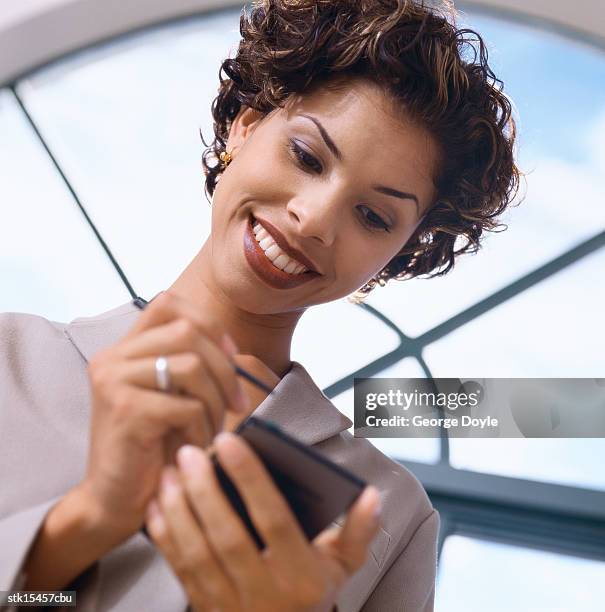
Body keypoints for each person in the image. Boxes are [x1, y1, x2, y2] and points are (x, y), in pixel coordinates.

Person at [0, 0, 519, 610]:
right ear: (244, 126)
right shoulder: (11, 362)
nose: (314, 219)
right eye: (306, 156)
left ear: (399, 255)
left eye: (374, 216)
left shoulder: (390, 516)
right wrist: (81, 526)